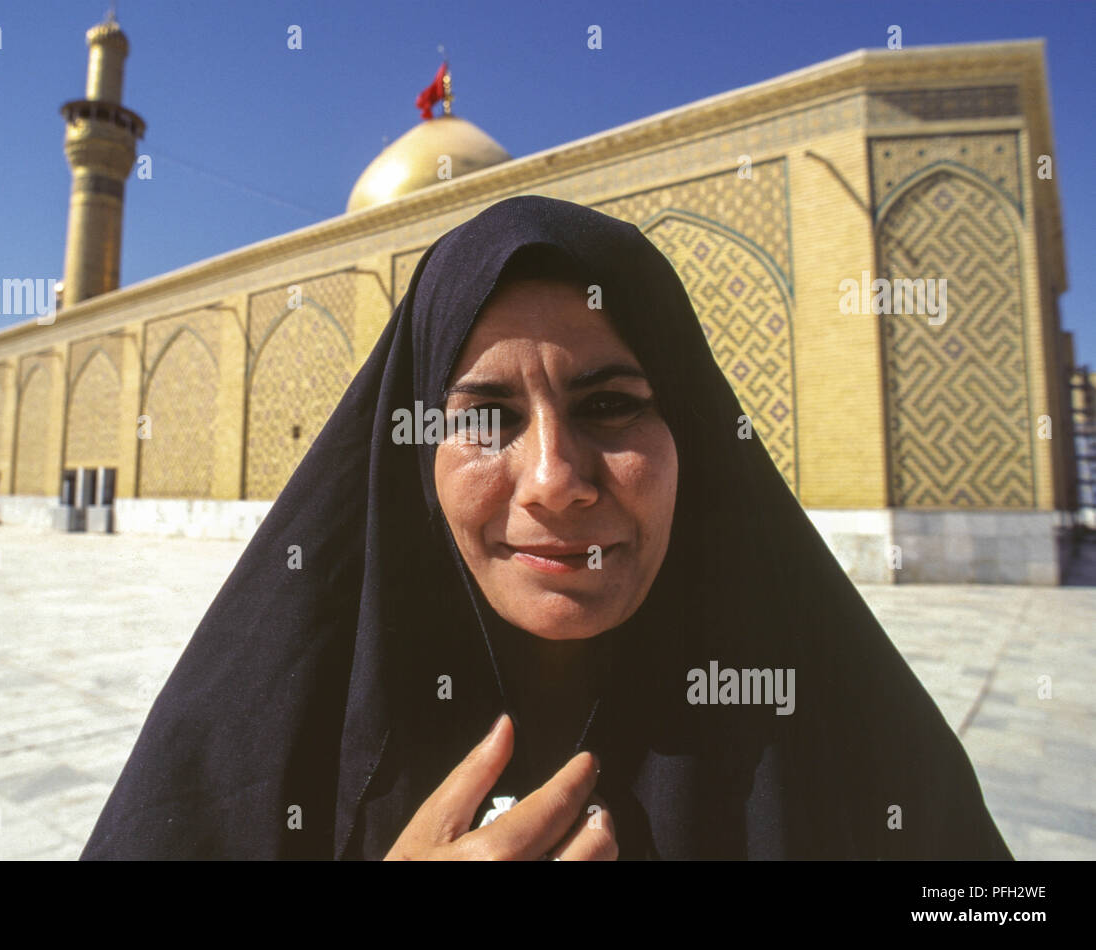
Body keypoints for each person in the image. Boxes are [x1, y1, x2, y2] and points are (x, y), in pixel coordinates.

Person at [81, 194, 1012, 860]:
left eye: (611, 405)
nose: (554, 481)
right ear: (414, 459)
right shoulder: (258, 738)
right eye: (485, 419)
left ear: (691, 435)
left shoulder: (843, 730)